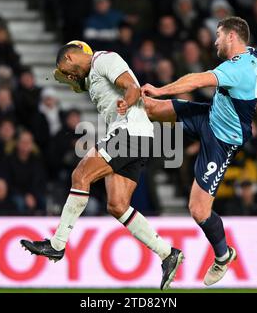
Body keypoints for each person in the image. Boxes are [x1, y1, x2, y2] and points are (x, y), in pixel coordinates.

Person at [137, 16, 257, 286]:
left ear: (232, 37)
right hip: (209, 117)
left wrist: (161, 89)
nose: (215, 40)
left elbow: (197, 80)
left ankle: (223, 255)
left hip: (222, 140)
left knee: (198, 210)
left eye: (219, 35)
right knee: (148, 108)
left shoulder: (238, 69)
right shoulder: (253, 56)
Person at [21, 43, 183, 291]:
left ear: (69, 56)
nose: (69, 76)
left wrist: (126, 103)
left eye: (67, 69)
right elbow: (70, 79)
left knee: (80, 174)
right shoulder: (88, 77)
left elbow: (133, 87)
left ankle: (57, 244)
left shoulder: (105, 60)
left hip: (129, 133)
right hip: (138, 137)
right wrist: (63, 73)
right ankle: (167, 253)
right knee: (117, 205)